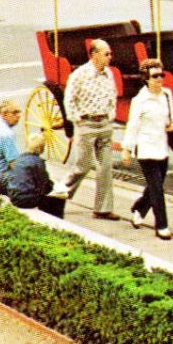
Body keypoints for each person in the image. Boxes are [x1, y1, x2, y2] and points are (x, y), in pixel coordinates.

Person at [60, 38, 119, 218]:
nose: (110, 57)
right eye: (106, 54)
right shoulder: (79, 74)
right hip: (86, 124)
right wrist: (76, 118)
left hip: (104, 124)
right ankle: (57, 197)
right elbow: (69, 99)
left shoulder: (108, 74)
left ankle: (103, 209)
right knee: (82, 166)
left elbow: (113, 95)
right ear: (94, 55)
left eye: (110, 54)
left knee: (105, 167)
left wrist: (111, 114)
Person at [120, 58, 173, 239]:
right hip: (145, 150)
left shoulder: (167, 94)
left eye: (162, 75)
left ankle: (139, 208)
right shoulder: (140, 101)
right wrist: (126, 149)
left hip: (161, 147)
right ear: (146, 78)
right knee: (157, 189)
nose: (160, 79)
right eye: (155, 76)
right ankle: (162, 226)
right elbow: (132, 126)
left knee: (156, 186)